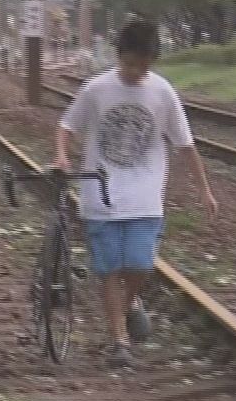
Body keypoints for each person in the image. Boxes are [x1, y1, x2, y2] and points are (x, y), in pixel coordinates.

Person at [54, 18, 219, 369]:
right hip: (100, 194)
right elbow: (67, 125)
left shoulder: (163, 92)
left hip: (145, 196)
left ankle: (129, 304)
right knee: (109, 270)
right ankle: (119, 341)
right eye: (129, 64)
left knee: (141, 265)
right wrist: (61, 155)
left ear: (152, 61)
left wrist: (204, 190)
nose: (135, 72)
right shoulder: (96, 89)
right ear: (119, 56)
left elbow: (186, 145)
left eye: (142, 66)